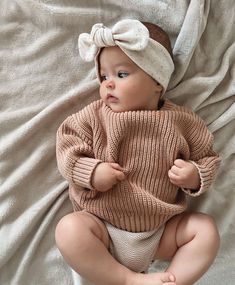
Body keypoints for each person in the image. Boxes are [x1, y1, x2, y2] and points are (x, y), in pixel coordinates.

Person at [55, 19, 221, 285]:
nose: (108, 84)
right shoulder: (94, 116)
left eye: (121, 75)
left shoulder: (182, 121)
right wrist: (92, 171)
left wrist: (195, 176)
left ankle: (172, 280)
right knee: (69, 230)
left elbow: (209, 157)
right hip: (102, 227)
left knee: (205, 230)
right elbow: (67, 147)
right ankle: (127, 279)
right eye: (103, 76)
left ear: (158, 81)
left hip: (162, 231)